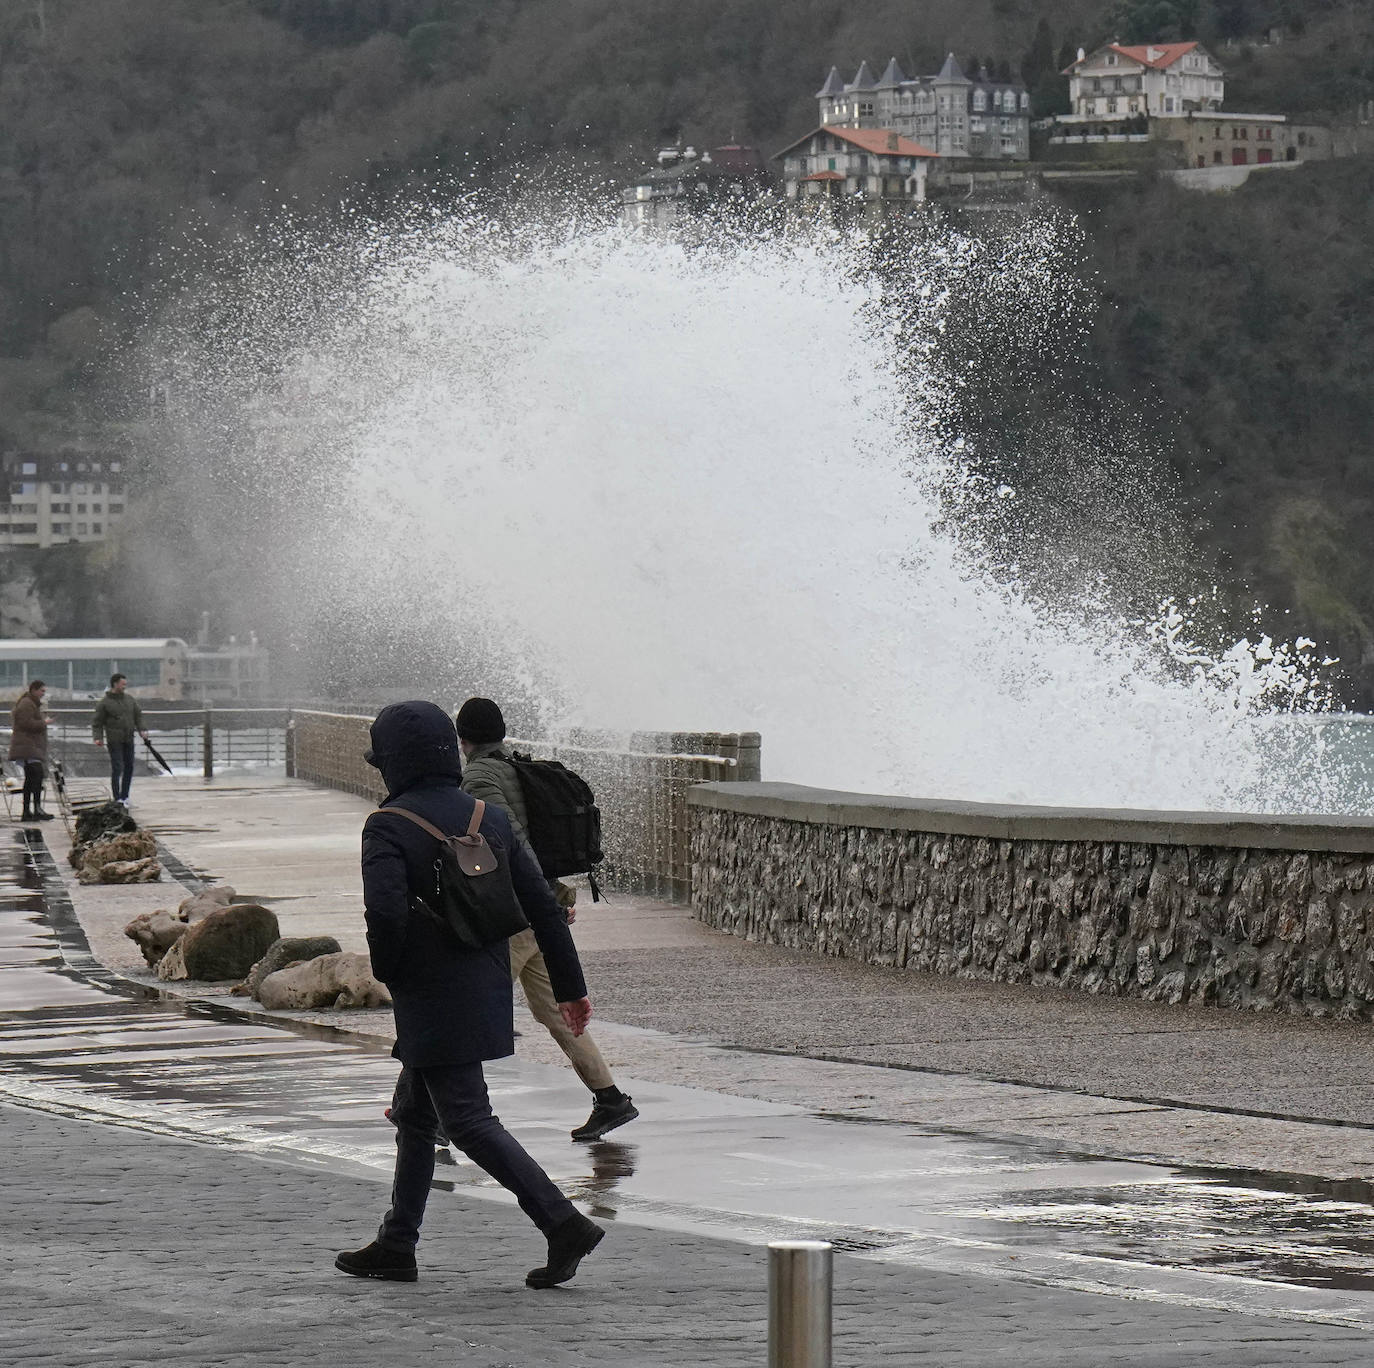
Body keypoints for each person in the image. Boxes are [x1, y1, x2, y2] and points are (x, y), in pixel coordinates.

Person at [335, 700, 605, 1288]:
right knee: (415, 1112)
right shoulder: (490, 817)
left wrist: (393, 975)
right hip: (483, 982)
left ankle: (562, 1222)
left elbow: (383, 914)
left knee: (468, 1119)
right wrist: (570, 987)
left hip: (430, 993)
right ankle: (396, 1243)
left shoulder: (388, 824)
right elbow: (543, 908)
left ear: (393, 762)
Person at [455, 696, 639, 1142]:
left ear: (463, 740)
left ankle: (430, 1110)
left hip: (519, 914)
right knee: (556, 1012)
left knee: (465, 1007)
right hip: (539, 911)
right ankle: (610, 1098)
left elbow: (509, 840)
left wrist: (543, 899)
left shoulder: (479, 776)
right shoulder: (515, 767)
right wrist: (552, 898)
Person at [91, 673, 149, 804]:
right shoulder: (104, 703)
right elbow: (97, 722)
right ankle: (117, 798)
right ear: (115, 684)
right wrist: (98, 738)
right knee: (117, 768)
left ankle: (125, 796)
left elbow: (138, 715)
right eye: (123, 684)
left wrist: (142, 729)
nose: (125, 687)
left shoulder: (129, 699)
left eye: (125, 684)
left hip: (129, 738)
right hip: (114, 740)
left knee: (129, 767)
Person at [8, 680, 53, 823]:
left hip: (29, 747)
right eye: (42, 691)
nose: (43, 694)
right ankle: (34, 810)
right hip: (28, 747)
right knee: (35, 777)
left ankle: (29, 811)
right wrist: (43, 723)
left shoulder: (29, 703)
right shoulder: (27, 704)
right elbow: (25, 723)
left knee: (32, 779)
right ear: (34, 690)